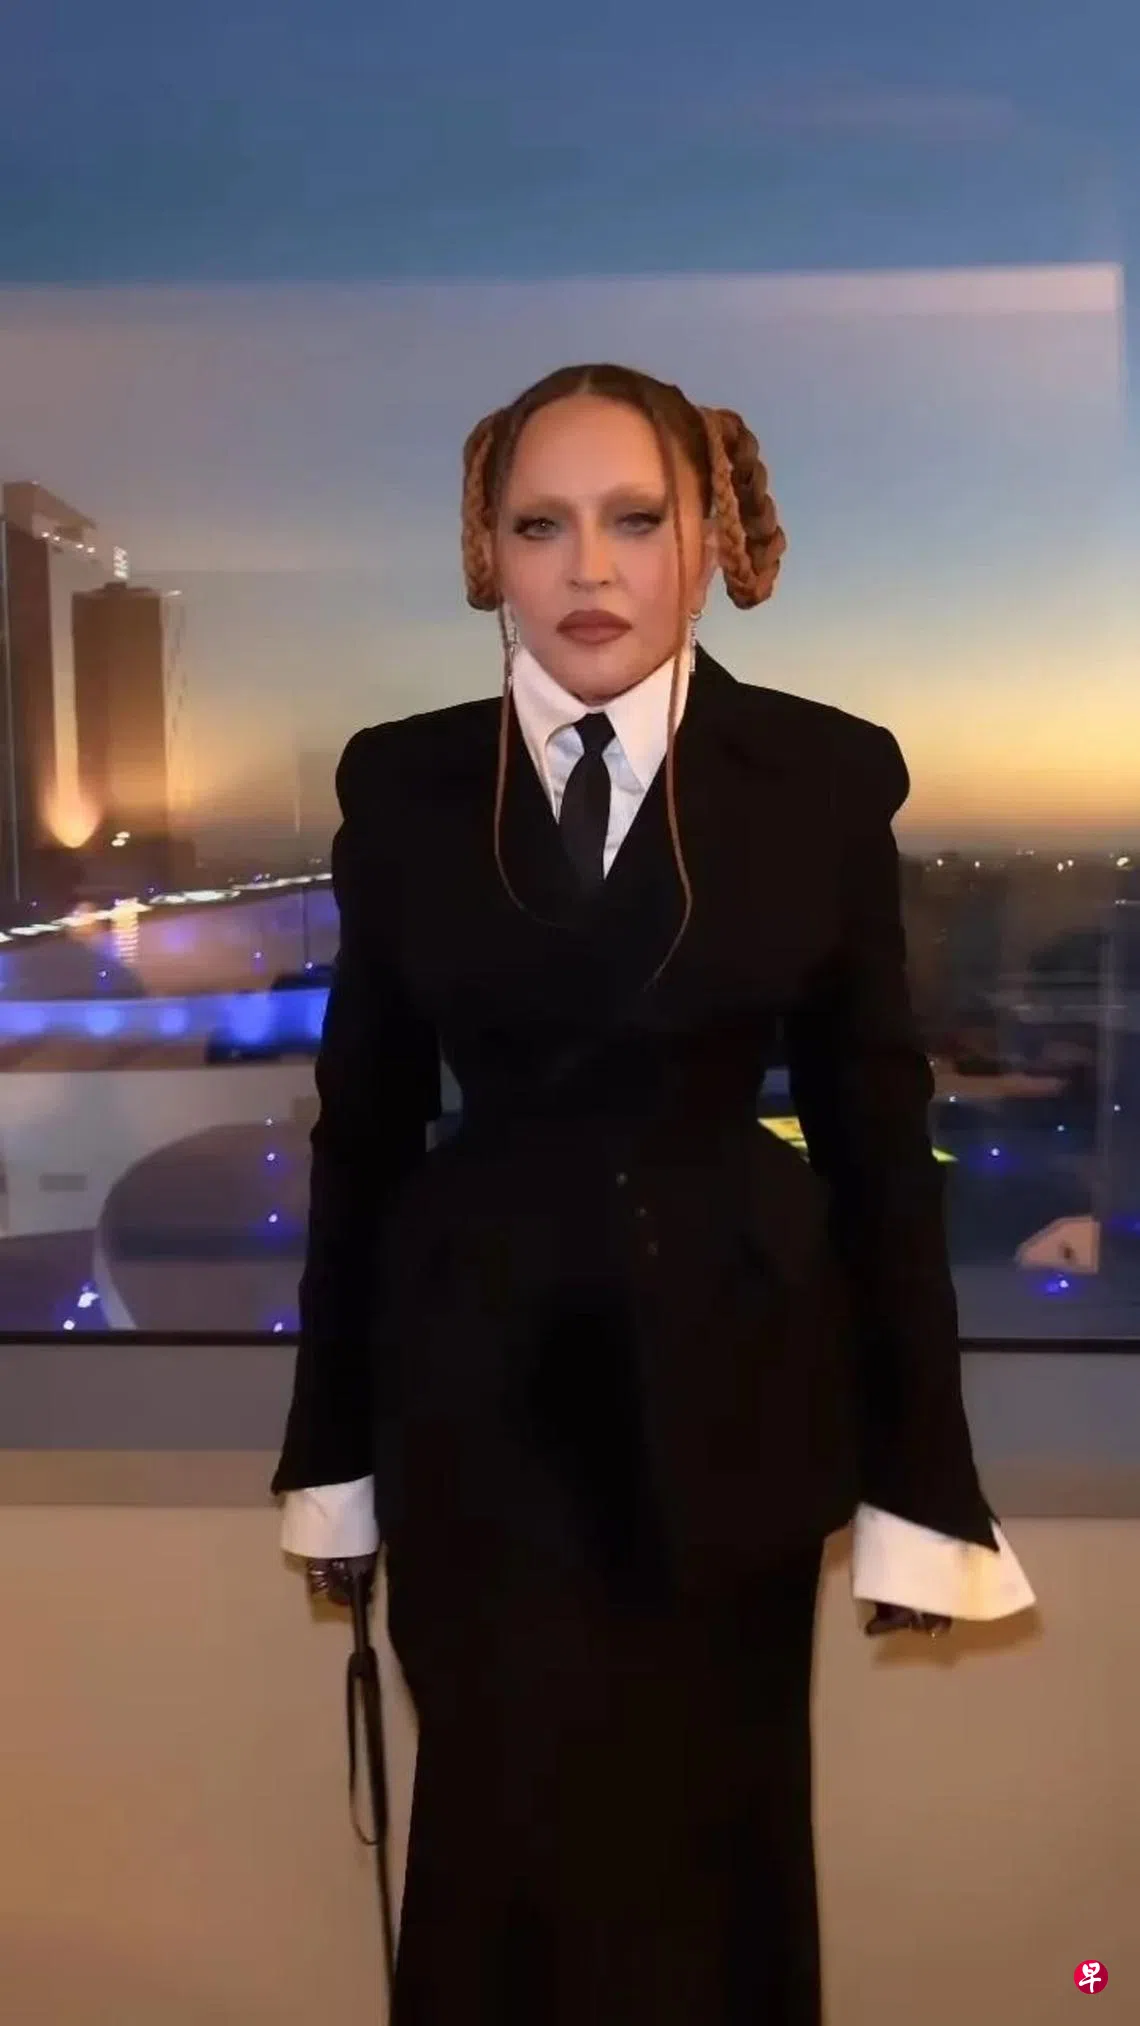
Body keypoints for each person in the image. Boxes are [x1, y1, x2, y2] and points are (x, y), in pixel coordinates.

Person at [272, 361, 1035, 2023]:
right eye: (542, 525)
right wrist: (329, 1459)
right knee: (499, 1883)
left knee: (717, 1884)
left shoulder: (820, 776)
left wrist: (925, 1481)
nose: (590, 569)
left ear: (709, 538)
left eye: (634, 519)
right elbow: (363, 1135)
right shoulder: (404, 785)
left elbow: (876, 1138)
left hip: (736, 1417)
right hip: (473, 1423)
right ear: (488, 550)